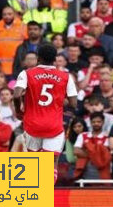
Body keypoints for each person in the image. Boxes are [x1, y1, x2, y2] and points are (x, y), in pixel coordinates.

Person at [14, 43, 78, 185]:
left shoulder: (26, 74)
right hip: (54, 126)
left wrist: (19, 111)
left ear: (38, 58)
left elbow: (17, 94)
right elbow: (73, 104)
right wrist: (59, 99)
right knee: (51, 162)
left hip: (32, 124)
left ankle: (35, 193)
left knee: (34, 161)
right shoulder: (66, 77)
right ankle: (46, 195)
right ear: (55, 59)